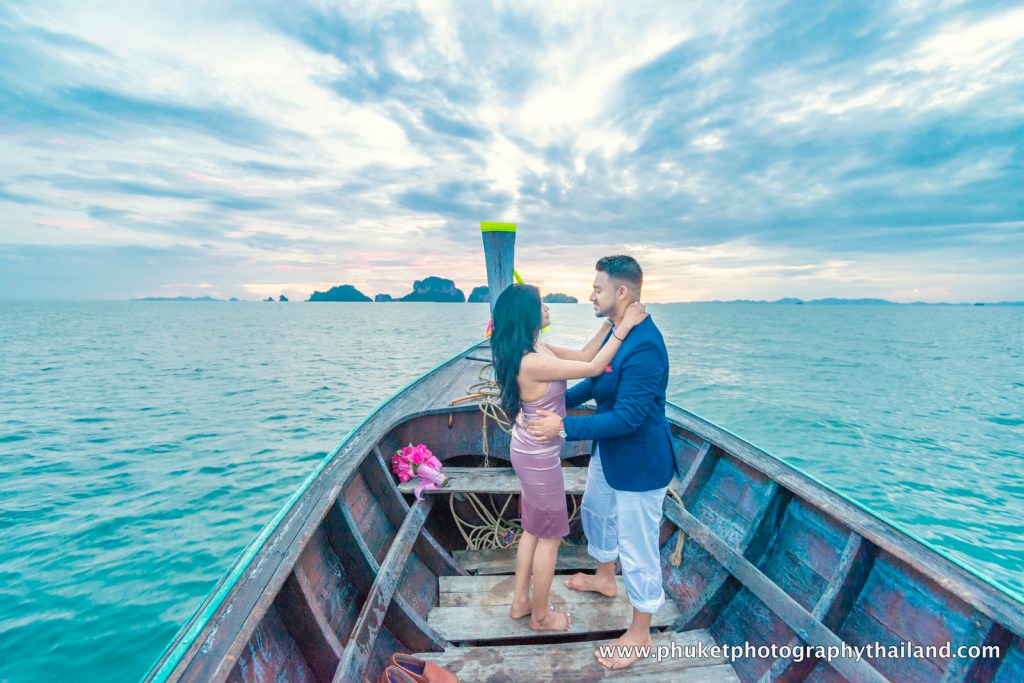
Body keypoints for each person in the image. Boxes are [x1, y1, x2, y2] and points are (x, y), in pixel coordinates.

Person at [526, 255, 675, 669]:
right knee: (595, 513)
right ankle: (605, 578)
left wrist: (563, 428)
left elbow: (627, 418)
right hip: (609, 455)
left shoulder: (645, 346)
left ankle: (641, 631)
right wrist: (551, 400)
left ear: (622, 292)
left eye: (597, 288)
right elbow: (595, 381)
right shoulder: (616, 330)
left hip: (641, 463)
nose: (591, 294)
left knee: (639, 544)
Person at [491, 283, 646, 633]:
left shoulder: (535, 348)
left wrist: (609, 322)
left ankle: (520, 602)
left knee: (533, 528)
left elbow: (584, 353)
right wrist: (625, 326)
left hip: (528, 449)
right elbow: (593, 368)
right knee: (549, 537)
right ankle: (541, 616)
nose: (547, 308)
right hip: (538, 457)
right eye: (542, 304)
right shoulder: (532, 362)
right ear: (528, 315)